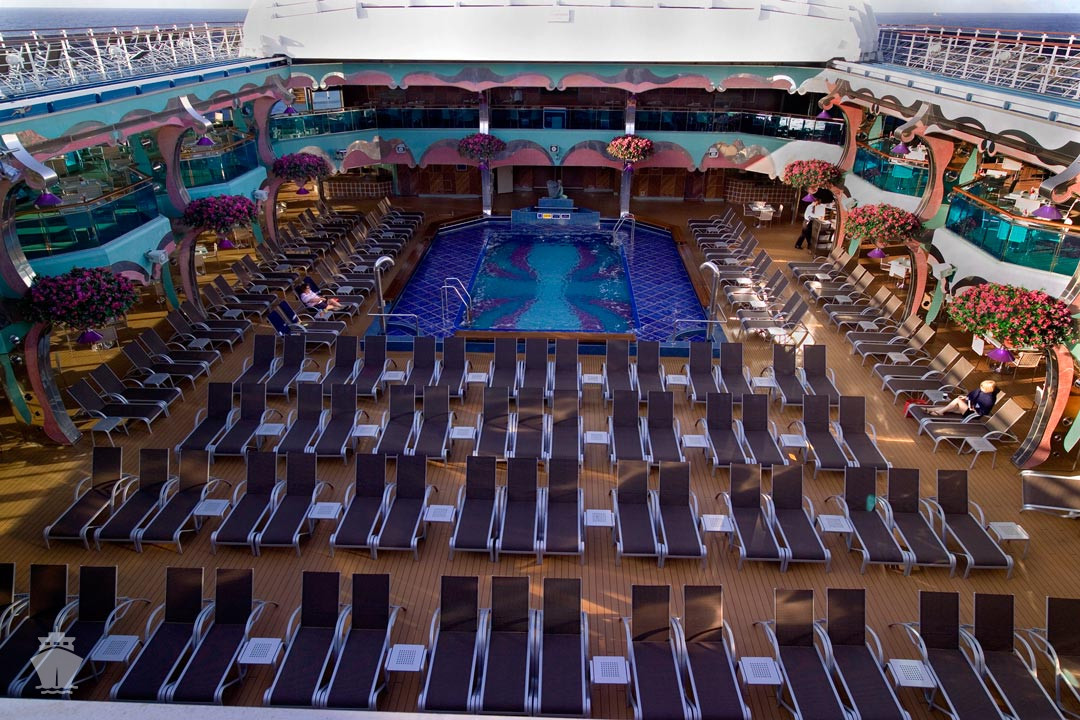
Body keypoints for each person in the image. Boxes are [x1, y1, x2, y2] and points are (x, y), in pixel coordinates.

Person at [927, 380, 998, 417]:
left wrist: (974, 408)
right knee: (953, 407)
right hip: (968, 408)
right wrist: (966, 397)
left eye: (983, 387)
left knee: (957, 400)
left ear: (987, 389)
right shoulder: (981, 391)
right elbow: (973, 397)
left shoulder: (989, 399)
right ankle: (929, 409)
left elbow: (983, 410)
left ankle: (939, 412)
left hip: (973, 414)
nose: (980, 388)